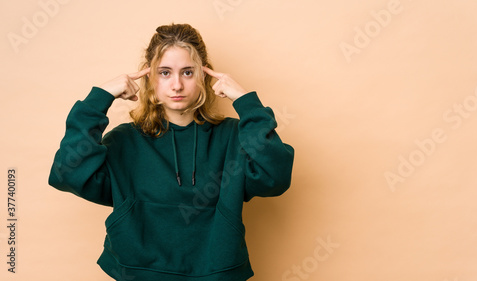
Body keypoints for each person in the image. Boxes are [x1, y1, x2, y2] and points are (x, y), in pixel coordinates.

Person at [48, 23, 294, 281]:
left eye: (187, 72)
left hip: (217, 273)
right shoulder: (125, 140)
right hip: (136, 272)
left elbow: (275, 178)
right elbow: (68, 173)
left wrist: (246, 102)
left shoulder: (234, 136)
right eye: (165, 73)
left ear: (204, 76)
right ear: (149, 78)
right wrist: (99, 98)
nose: (177, 85)